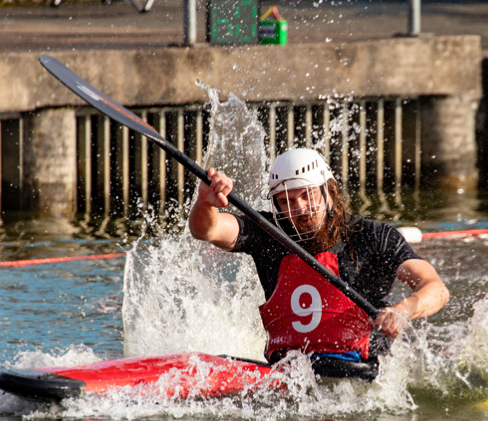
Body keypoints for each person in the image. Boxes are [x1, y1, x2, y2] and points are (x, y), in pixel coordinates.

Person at [188, 148, 449, 380]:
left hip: (362, 374)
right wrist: (205, 202)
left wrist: (403, 310)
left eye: (306, 196)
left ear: (330, 191)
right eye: (286, 201)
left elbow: (435, 288)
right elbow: (206, 230)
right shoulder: (268, 232)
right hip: (291, 375)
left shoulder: (373, 236)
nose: (299, 208)